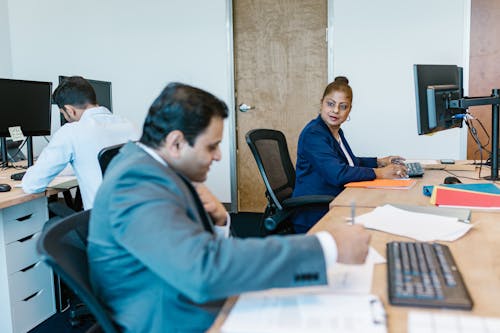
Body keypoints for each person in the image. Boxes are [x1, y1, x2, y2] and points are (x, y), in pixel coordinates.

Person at [87, 82, 371, 333]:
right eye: (212, 146)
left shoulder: (154, 168)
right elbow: (204, 270)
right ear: (175, 142)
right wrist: (327, 248)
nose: (219, 156)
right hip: (173, 316)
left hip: (186, 293)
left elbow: (195, 255)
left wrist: (221, 223)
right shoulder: (136, 184)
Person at [292, 76, 407, 233]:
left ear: (349, 110)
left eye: (343, 106)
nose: (335, 110)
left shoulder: (335, 131)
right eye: (330, 104)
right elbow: (337, 173)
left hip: (336, 200)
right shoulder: (314, 134)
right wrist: (380, 173)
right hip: (315, 212)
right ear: (321, 103)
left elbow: (348, 162)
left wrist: (379, 162)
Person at [22, 76, 139, 209]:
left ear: (70, 110)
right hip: (141, 219)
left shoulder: (72, 132)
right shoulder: (130, 125)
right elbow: (93, 163)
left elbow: (32, 184)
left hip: (103, 225)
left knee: (51, 224)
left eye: (63, 114)